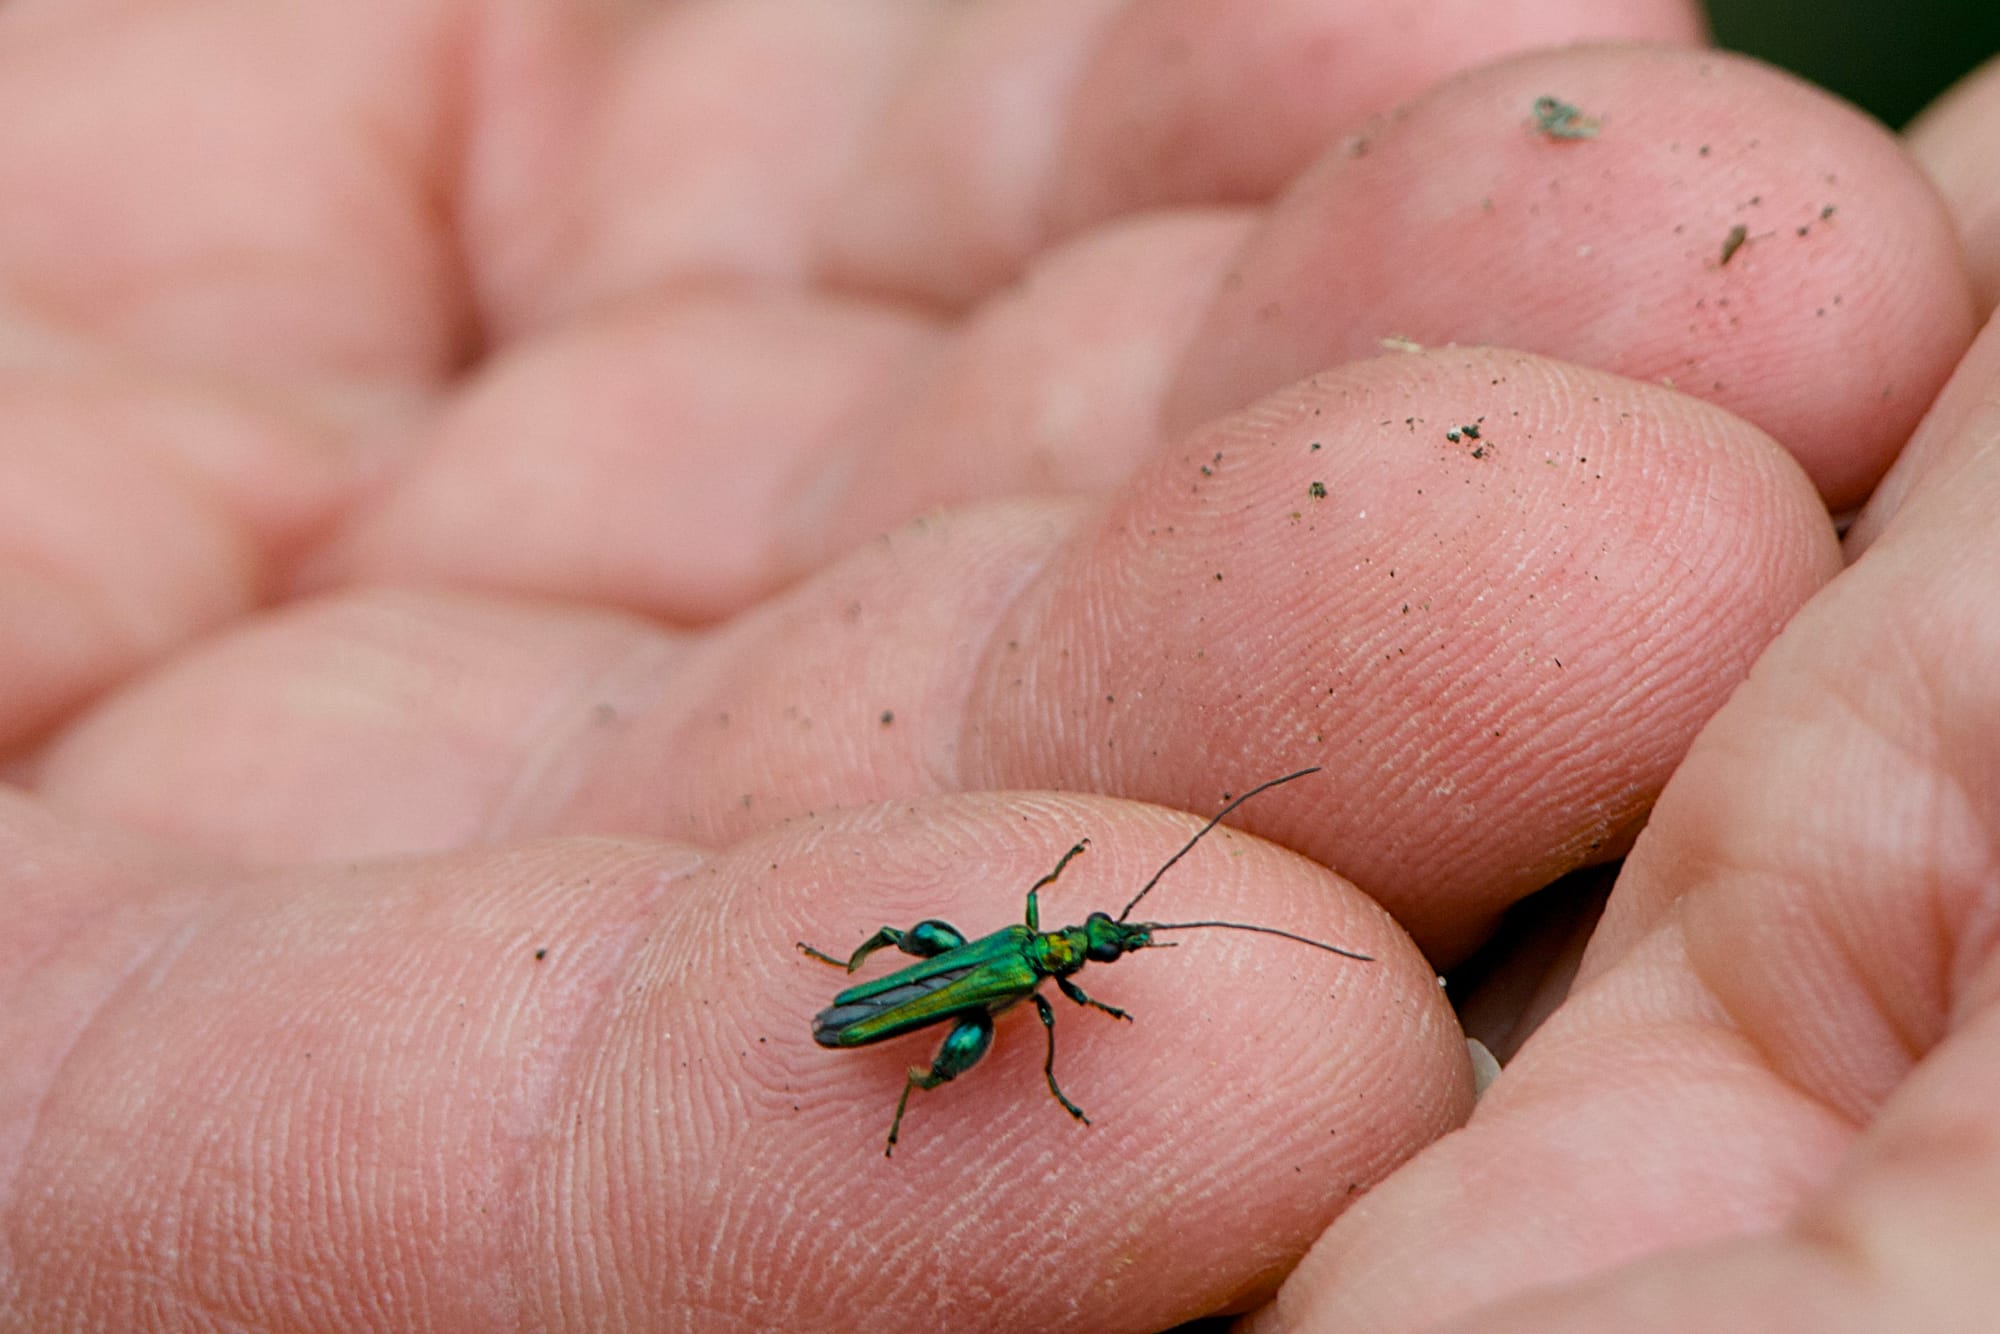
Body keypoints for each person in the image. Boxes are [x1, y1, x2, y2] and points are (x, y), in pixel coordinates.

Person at [4, 3, 1996, 1328]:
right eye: (1086, 960)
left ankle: (870, 1054)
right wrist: (982, 1036)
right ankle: (873, 1059)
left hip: (922, 983)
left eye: (1084, 965)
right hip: (910, 1000)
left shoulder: (1029, 953)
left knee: (953, 999)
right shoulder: (1023, 972)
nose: (1083, 965)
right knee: (948, 1026)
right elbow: (1019, 979)